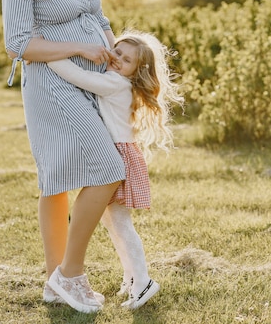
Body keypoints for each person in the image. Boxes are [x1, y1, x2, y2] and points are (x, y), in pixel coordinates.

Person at [1, 0, 125, 314]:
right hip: (54, 86)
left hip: (95, 83)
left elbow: (97, 14)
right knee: (105, 168)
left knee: (58, 179)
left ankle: (55, 283)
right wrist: (80, 47)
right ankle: (70, 272)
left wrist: (114, 54)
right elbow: (19, 43)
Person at [47, 29, 184, 310]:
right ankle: (133, 278)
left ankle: (143, 280)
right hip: (119, 153)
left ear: (136, 70)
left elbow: (78, 76)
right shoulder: (119, 82)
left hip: (118, 155)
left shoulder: (115, 83)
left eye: (126, 59)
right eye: (117, 52)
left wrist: (51, 56)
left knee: (121, 225)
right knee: (114, 224)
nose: (117, 59)